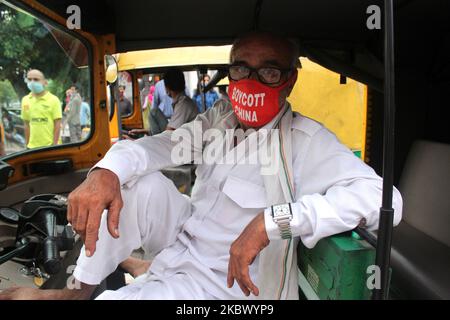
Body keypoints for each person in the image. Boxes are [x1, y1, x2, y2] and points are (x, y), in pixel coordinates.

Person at [0, 32, 402, 300]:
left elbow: (385, 200)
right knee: (132, 182)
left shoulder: (305, 142)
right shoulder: (220, 120)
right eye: (242, 67)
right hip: (182, 243)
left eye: (269, 71)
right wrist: (104, 173)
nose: (252, 80)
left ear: (290, 80)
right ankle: (78, 290)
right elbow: (156, 148)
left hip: (222, 283)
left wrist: (272, 222)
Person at [127, 69, 197, 137]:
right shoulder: (183, 101)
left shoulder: (183, 104)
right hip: (177, 132)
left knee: (154, 112)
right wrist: (145, 131)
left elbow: (169, 132)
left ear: (167, 87)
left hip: (183, 141)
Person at [20, 69, 62, 149]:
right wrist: (27, 146)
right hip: (32, 148)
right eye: (29, 79)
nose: (32, 82)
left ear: (45, 82)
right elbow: (26, 124)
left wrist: (54, 145)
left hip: (50, 147)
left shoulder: (54, 100)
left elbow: (57, 125)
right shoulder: (25, 100)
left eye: (36, 79)